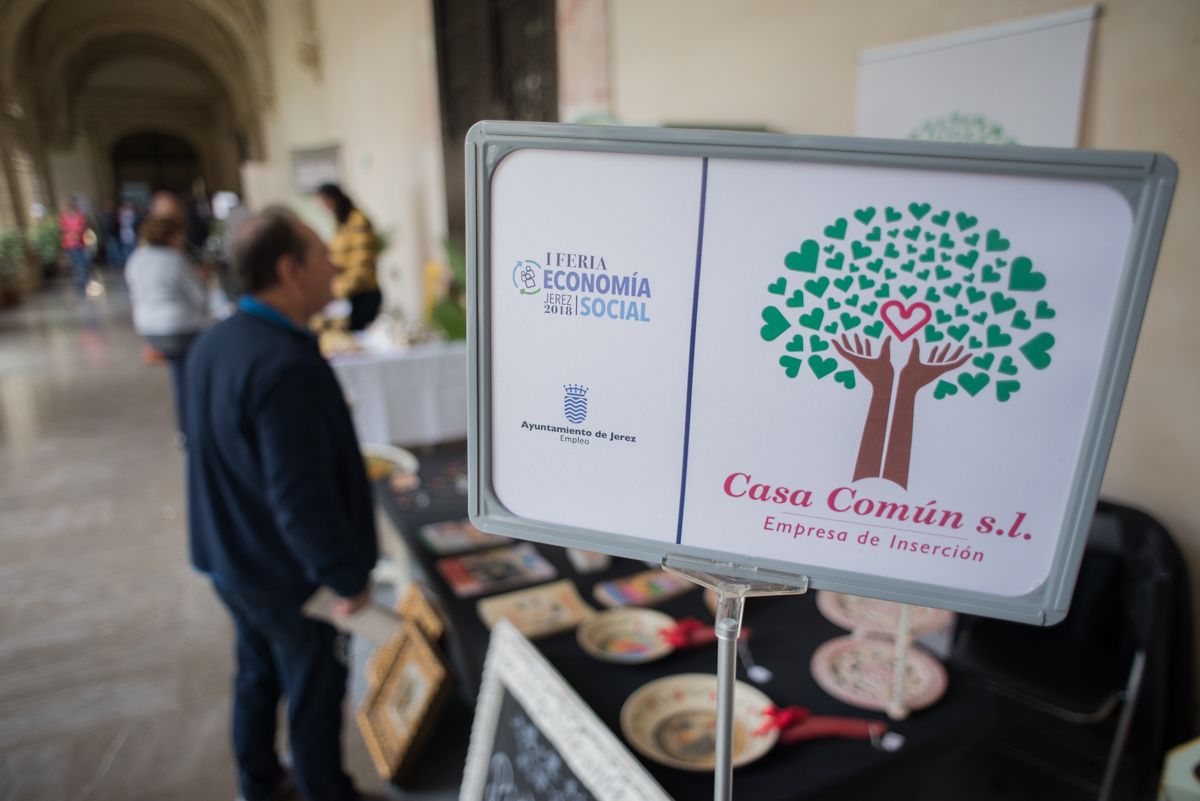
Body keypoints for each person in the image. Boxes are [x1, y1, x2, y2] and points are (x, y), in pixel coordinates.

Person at [185, 208, 377, 801]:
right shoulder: (285, 364)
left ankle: (260, 784)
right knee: (315, 690)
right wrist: (345, 578)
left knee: (256, 675)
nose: (336, 266)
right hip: (285, 574)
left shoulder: (218, 340)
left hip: (229, 557)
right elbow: (301, 498)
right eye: (324, 256)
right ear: (290, 270)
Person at [124, 215, 209, 437]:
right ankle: (190, 428)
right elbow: (199, 297)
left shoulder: (136, 259)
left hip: (148, 327)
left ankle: (185, 428)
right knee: (186, 376)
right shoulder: (176, 260)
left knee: (179, 373)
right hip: (180, 327)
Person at [315, 184, 382, 331]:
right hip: (349, 293)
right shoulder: (342, 224)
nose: (324, 208)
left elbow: (362, 264)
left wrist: (339, 290)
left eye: (325, 203)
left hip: (363, 293)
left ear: (335, 199)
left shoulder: (358, 221)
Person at [59, 199, 92, 294]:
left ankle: (86, 280)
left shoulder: (80, 216)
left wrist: (76, 232)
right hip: (70, 245)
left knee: (84, 263)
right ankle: (80, 285)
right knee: (76, 266)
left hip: (81, 244)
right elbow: (63, 229)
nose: (68, 210)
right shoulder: (64, 218)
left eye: (69, 208)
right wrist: (71, 233)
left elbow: (83, 227)